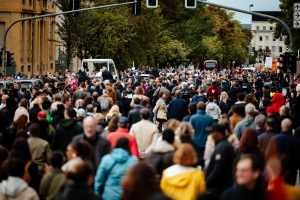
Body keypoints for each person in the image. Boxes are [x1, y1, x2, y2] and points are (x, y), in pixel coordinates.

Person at [266, 118, 300, 185]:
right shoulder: (296, 141)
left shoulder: (274, 139)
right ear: (291, 128)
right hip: (291, 173)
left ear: (281, 127)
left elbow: (267, 155)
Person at [205, 123, 234, 195]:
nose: (210, 134)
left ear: (219, 133)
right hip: (223, 184)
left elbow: (218, 168)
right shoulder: (223, 145)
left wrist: (208, 181)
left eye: (212, 132)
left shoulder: (222, 147)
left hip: (219, 186)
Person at [189, 102, 215, 167]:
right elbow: (214, 130)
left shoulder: (193, 118)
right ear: (205, 108)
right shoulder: (210, 118)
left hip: (195, 142)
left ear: (197, 108)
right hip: (207, 142)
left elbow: (189, 130)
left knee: (196, 160)